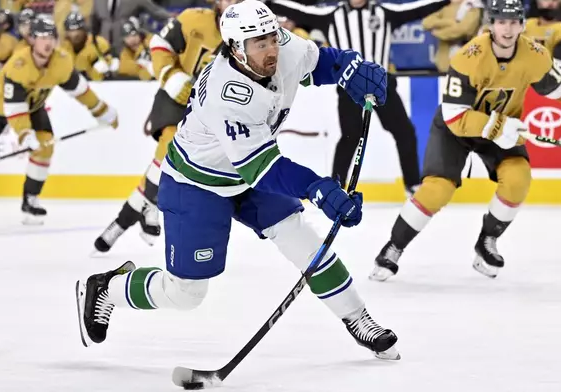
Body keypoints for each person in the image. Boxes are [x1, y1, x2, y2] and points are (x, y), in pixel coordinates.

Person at [77, 0, 401, 360]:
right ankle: (109, 289)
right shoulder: (226, 93)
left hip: (246, 175)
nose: (271, 49)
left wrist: (350, 69)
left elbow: (320, 62)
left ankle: (358, 319)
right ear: (235, 48)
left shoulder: (280, 45)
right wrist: (319, 189)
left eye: (272, 38)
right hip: (197, 184)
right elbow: (263, 168)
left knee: (304, 240)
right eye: (259, 44)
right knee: (184, 294)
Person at [370, 0, 561, 281]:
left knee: (518, 178)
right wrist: (498, 126)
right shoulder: (470, 57)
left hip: (502, 128)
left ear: (522, 25)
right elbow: (455, 115)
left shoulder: (535, 56)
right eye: (501, 22)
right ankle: (393, 247)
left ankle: (487, 241)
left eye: (514, 22)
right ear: (491, 24)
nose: (508, 28)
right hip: (459, 129)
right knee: (436, 190)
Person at [93, 0, 238, 253]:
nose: (232, 3)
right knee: (171, 147)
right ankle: (145, 205)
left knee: (167, 162)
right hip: (177, 95)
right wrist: (171, 76)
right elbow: (160, 44)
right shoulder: (194, 19)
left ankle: (126, 218)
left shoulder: (249, 31)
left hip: (209, 109)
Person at [267, 0, 451, 195]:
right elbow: (298, 10)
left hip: (381, 82)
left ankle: (412, 184)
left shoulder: (384, 12)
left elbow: (416, 9)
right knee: (350, 136)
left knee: (404, 131)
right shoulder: (331, 15)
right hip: (348, 85)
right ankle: (336, 186)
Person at [0, 16, 119, 224]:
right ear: (32, 40)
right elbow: (14, 108)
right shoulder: (19, 64)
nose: (47, 42)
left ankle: (30, 200)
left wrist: (102, 111)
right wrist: (24, 135)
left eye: (51, 36)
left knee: (44, 147)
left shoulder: (61, 61)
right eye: (41, 37)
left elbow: (80, 91)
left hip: (33, 107)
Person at [60, 12, 119, 81]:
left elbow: (112, 66)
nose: (76, 34)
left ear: (85, 29)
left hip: (99, 85)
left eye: (79, 29)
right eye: (72, 30)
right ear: (66, 32)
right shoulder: (62, 48)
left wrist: (108, 65)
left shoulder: (99, 43)